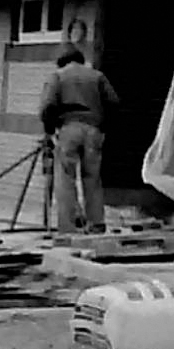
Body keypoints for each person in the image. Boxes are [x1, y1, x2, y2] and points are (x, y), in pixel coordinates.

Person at [37, 45, 120, 234]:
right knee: (93, 177)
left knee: (65, 177)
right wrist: (103, 126)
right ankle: (97, 223)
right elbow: (114, 102)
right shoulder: (97, 76)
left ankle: (68, 226)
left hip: (68, 128)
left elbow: (47, 106)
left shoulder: (57, 76)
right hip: (94, 130)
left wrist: (50, 129)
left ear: (62, 62)